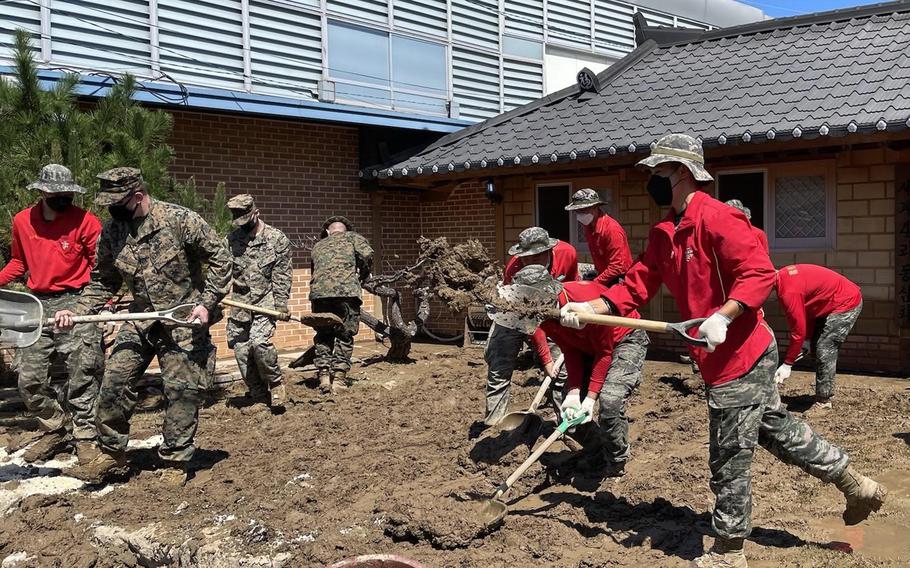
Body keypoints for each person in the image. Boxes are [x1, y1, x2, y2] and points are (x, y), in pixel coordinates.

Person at [560, 134, 886, 568]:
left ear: (682, 173)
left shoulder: (720, 219)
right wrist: (589, 307)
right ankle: (856, 483)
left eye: (659, 172)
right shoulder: (665, 233)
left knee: (728, 455)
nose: (653, 179)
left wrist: (724, 315)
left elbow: (758, 274)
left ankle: (729, 551)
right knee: (776, 430)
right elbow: (637, 283)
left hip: (742, 352)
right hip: (714, 356)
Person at [54, 167, 232, 486]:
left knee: (182, 390)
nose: (111, 209)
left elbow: (221, 259)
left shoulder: (179, 220)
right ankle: (112, 455)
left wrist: (207, 303)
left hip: (183, 318)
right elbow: (103, 280)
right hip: (140, 319)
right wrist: (75, 311)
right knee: (113, 383)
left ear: (138, 197)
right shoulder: (113, 231)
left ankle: (175, 461)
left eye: (117, 202)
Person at [0, 165, 104, 463]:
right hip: (39, 304)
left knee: (83, 373)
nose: (65, 198)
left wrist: (90, 306)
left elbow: (101, 270)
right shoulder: (22, 221)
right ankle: (55, 429)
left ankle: (86, 437)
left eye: (69, 194)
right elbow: (19, 263)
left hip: (78, 299)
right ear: (43, 192)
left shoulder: (86, 221)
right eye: (58, 194)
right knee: (28, 379)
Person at [511, 265, 649, 478]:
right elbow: (570, 348)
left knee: (610, 400)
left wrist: (591, 398)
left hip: (624, 337)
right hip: (586, 347)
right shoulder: (542, 315)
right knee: (568, 408)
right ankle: (596, 453)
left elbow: (604, 353)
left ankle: (616, 461)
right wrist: (575, 392)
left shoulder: (586, 298)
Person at [483, 227, 577, 427]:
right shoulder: (513, 269)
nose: (528, 263)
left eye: (535, 258)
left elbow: (570, 289)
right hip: (515, 313)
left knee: (559, 368)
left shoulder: (567, 254)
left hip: (552, 310)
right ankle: (494, 423)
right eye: (524, 258)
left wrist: (552, 353)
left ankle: (566, 423)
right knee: (498, 359)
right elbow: (528, 319)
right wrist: (542, 356)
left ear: (548, 252)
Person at [226, 194, 292, 411]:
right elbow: (222, 271)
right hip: (240, 302)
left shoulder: (277, 239)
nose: (242, 226)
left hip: (266, 300)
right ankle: (257, 394)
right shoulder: (232, 239)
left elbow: (282, 275)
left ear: (256, 213)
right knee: (241, 349)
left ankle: (276, 385)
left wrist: (281, 304)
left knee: (259, 343)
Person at [773, 264, 863, 409]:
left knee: (825, 348)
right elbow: (807, 310)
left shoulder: (788, 291)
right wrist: (807, 340)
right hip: (827, 305)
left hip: (845, 301)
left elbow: (798, 331)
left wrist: (787, 364)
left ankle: (823, 401)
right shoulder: (784, 276)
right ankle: (822, 393)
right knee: (816, 347)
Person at [309, 216, 373, 394]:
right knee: (345, 336)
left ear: (328, 232)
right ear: (346, 231)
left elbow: (314, 270)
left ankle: (323, 375)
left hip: (320, 296)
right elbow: (368, 254)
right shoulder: (353, 237)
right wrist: (364, 274)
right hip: (346, 295)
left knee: (323, 334)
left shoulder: (318, 245)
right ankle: (339, 379)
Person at [564, 188, 633, 286]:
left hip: (620, 279)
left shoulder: (612, 230)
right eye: (577, 211)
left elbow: (617, 266)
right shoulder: (588, 227)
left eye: (583, 210)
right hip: (605, 275)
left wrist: (595, 283)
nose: (580, 214)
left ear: (595, 207)